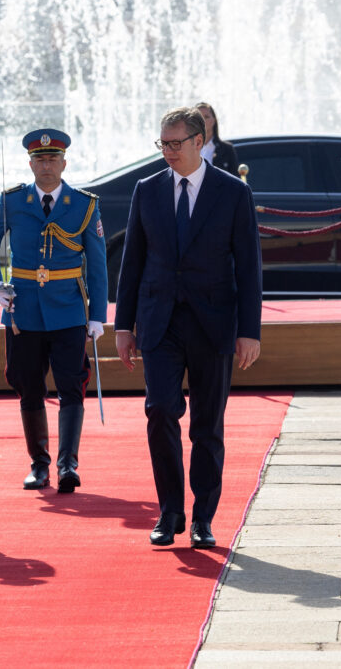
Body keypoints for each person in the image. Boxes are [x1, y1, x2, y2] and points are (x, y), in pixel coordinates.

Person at [114, 107, 262, 549]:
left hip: (213, 322)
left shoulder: (233, 192)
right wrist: (123, 325)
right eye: (162, 143)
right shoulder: (148, 189)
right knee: (160, 411)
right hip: (159, 321)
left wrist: (249, 330)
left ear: (200, 141)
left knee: (206, 426)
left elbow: (249, 267)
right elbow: (133, 260)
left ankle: (202, 517)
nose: (168, 152)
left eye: (176, 144)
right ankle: (169, 511)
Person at [0, 129, 108, 494]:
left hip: (68, 310)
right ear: (30, 163)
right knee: (28, 386)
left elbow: (97, 264)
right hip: (24, 311)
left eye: (52, 159)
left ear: (64, 163)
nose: (46, 165)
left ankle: (68, 466)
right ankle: (39, 465)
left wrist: (97, 315)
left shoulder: (83, 204)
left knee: (71, 387)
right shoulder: (13, 201)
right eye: (39, 159)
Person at [195, 102, 239, 177]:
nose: (202, 121)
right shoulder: (187, 147)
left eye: (206, 117)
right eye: (199, 117)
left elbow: (235, 180)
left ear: (214, 120)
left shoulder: (227, 149)